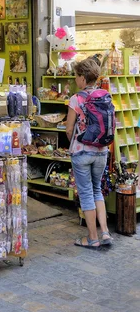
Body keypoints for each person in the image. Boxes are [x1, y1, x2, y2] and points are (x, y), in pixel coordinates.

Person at [65, 58, 113, 249]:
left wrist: (75, 145)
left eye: (76, 76)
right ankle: (105, 232)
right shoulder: (105, 96)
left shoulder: (76, 99)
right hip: (102, 151)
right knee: (96, 191)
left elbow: (69, 129)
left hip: (82, 152)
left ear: (83, 78)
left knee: (85, 193)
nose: (75, 80)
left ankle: (92, 238)